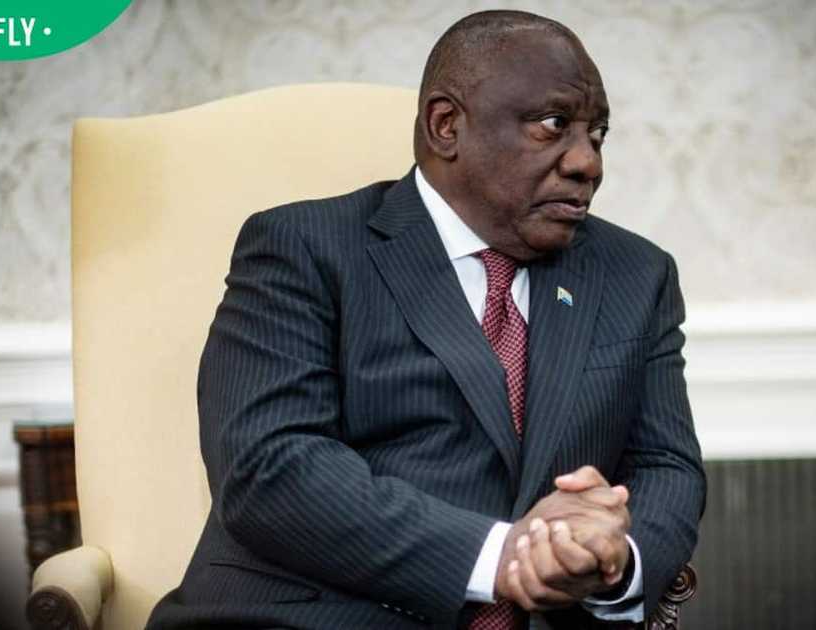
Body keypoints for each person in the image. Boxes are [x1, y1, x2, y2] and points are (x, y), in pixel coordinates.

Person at [147, 9, 704, 630]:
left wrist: (610, 561)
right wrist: (499, 556)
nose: (588, 163)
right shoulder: (304, 247)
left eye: (597, 135)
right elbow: (270, 468)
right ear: (446, 126)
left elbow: (665, 467)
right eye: (554, 125)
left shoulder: (636, 274)